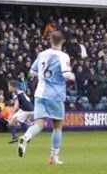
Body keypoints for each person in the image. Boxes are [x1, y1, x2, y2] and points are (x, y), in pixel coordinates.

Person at [16, 30, 74, 165]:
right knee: (57, 127)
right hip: (55, 95)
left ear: (50, 40)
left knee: (39, 124)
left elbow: (32, 72)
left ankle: (25, 137)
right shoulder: (63, 56)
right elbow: (67, 75)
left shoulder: (42, 54)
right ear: (62, 41)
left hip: (40, 94)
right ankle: (53, 157)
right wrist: (72, 77)